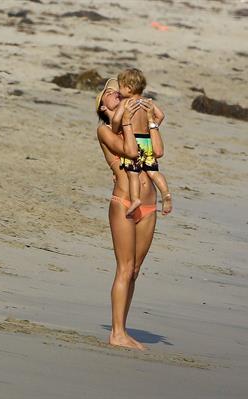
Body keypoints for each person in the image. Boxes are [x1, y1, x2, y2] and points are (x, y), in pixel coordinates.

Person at [96, 79, 163, 350]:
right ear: (103, 106)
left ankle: (122, 328)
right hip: (124, 202)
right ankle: (117, 333)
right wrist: (125, 119)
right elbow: (129, 151)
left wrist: (155, 121)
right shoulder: (104, 131)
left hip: (148, 204)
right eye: (111, 94)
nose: (118, 95)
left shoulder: (139, 126)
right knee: (124, 268)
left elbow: (157, 152)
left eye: (119, 91)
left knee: (134, 270)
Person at [111, 68, 172, 217]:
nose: (118, 90)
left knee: (133, 174)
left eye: (120, 86)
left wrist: (115, 129)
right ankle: (166, 194)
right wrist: (152, 125)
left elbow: (117, 120)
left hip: (133, 140)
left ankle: (136, 199)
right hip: (147, 141)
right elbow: (161, 115)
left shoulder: (126, 103)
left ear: (129, 88)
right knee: (153, 172)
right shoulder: (146, 102)